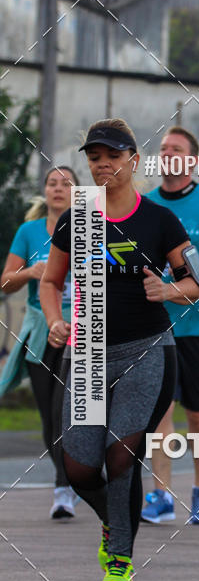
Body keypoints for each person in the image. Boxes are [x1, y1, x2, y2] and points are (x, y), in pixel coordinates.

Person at [40, 118, 199, 581]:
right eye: (94, 158)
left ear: (133, 160)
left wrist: (169, 290)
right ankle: (115, 523)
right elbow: (51, 282)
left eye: (112, 156)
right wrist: (55, 319)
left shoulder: (159, 219)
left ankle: (119, 559)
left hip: (147, 350)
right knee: (79, 468)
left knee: (120, 458)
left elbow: (198, 283)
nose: (103, 165)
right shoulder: (78, 216)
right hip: (88, 353)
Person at [141, 126, 199, 526]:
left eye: (176, 149)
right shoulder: (143, 205)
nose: (167, 154)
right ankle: (159, 495)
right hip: (154, 327)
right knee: (160, 412)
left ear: (193, 160)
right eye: (162, 149)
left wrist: (176, 286)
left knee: (197, 415)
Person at [0, 166, 79, 519]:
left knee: (75, 413)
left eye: (66, 184)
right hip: (41, 331)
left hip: (82, 330)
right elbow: (5, 282)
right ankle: (64, 487)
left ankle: (80, 477)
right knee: (50, 415)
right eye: (52, 183)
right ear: (44, 191)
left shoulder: (92, 228)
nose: (58, 189)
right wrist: (29, 273)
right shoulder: (29, 232)